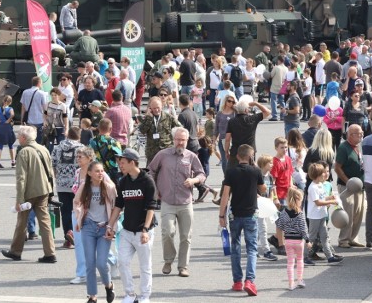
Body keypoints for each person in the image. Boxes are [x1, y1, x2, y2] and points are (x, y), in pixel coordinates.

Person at [149, 127, 205, 277]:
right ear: (173, 140)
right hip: (167, 201)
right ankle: (168, 260)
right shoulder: (163, 155)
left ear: (187, 141)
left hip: (186, 202)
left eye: (183, 140)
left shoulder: (191, 156)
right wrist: (154, 190)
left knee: (186, 236)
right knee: (167, 232)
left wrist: (194, 180)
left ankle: (183, 267)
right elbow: (151, 171)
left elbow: (201, 173)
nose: (180, 143)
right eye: (178, 139)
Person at [105, 148, 158, 303]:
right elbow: (118, 205)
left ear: (132, 162)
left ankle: (144, 296)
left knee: (145, 266)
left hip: (143, 231)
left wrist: (145, 230)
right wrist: (110, 225)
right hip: (127, 230)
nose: (120, 165)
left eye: (122, 162)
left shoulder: (147, 180)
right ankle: (129, 294)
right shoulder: (123, 181)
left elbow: (151, 207)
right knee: (122, 262)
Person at [1, 126, 56, 263]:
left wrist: (19, 199)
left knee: (21, 222)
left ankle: (15, 251)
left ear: (24, 138)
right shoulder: (44, 149)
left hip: (29, 192)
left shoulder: (24, 152)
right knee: (45, 222)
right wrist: (50, 191)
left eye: (19, 136)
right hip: (44, 190)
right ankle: (50, 253)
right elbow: (50, 172)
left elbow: (21, 178)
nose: (18, 138)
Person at [218, 144, 265, 296]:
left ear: (237, 156)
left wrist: (221, 215)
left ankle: (237, 281)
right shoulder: (256, 171)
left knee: (235, 246)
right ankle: (249, 280)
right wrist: (255, 166)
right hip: (251, 214)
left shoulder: (231, 172)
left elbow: (225, 195)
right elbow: (263, 189)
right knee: (252, 248)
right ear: (251, 156)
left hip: (234, 214)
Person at [73, 160, 117, 303]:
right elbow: (76, 201)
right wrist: (79, 215)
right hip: (89, 227)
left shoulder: (109, 187)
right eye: (97, 171)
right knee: (90, 263)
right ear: (90, 173)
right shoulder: (85, 187)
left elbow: (117, 208)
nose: (100, 173)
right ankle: (92, 296)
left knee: (101, 263)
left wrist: (112, 226)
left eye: (102, 171)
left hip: (105, 228)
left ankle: (109, 285)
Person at [52, 126, 83, 249]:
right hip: (77, 184)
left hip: (62, 183)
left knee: (65, 211)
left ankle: (67, 236)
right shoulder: (82, 148)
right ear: (79, 136)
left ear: (67, 135)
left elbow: (53, 163)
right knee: (78, 210)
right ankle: (75, 234)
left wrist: (58, 176)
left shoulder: (57, 148)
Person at [334, 124, 365, 248]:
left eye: (361, 133)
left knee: (358, 213)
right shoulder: (343, 148)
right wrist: (348, 182)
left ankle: (353, 237)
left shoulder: (358, 147)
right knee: (348, 213)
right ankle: (344, 239)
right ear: (350, 135)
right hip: (347, 187)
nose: (361, 135)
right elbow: (337, 167)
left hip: (359, 187)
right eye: (359, 133)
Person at [306, 163, 341, 264]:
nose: (325, 175)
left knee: (324, 236)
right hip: (314, 216)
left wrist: (330, 198)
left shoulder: (320, 185)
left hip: (322, 214)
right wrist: (331, 202)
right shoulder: (312, 187)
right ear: (317, 175)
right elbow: (318, 202)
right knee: (312, 237)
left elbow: (323, 198)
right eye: (323, 173)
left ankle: (330, 257)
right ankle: (305, 256)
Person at [275, 187, 309, 290]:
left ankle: (290, 284)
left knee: (290, 263)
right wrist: (307, 240)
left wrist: (281, 241)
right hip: (299, 241)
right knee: (300, 260)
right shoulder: (300, 214)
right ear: (299, 199)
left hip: (288, 241)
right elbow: (304, 229)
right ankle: (299, 280)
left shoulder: (284, 213)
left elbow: (279, 226)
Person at [224, 99, 270, 168]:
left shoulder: (232, 121)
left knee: (234, 174)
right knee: (249, 173)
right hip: (249, 151)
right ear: (246, 110)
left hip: (235, 151)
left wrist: (226, 151)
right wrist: (256, 103)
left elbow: (227, 138)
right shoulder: (252, 119)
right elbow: (267, 112)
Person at [137, 97, 181, 165]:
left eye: (158, 107)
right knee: (151, 174)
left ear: (162, 106)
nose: (157, 110)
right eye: (154, 108)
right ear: (150, 108)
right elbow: (142, 131)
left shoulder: (168, 117)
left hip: (166, 151)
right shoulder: (147, 118)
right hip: (152, 153)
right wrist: (149, 119)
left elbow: (180, 128)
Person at [255, 155, 278, 261]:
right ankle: (266, 251)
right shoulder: (258, 175)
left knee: (259, 228)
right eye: (270, 163)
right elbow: (253, 190)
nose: (272, 165)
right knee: (262, 228)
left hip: (265, 205)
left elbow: (272, 189)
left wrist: (271, 199)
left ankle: (253, 249)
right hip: (258, 205)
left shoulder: (270, 176)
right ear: (264, 164)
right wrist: (262, 200)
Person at [20, 77, 48, 143]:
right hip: (39, 120)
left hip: (29, 121)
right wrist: (46, 120)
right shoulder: (42, 93)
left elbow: (23, 108)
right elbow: (45, 108)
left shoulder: (25, 92)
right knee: (39, 141)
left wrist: (22, 120)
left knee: (30, 140)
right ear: (39, 83)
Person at [214, 93, 236, 174]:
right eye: (229, 101)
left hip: (233, 139)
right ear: (225, 101)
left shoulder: (235, 113)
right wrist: (214, 141)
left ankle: (232, 178)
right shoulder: (220, 113)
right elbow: (216, 128)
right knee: (224, 160)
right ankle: (226, 177)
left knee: (233, 160)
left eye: (233, 102)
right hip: (222, 139)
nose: (231, 103)